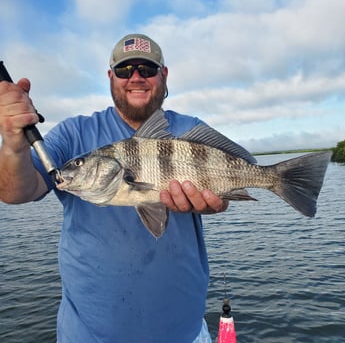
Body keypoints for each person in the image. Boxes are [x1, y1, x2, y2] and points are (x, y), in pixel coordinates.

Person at [0, 33, 228, 343]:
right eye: (124, 70)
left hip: (185, 333)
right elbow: (15, 191)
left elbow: (235, 174)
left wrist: (222, 198)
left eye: (147, 69)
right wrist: (14, 146)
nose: (136, 77)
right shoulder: (73, 133)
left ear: (164, 74)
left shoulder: (190, 129)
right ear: (111, 77)